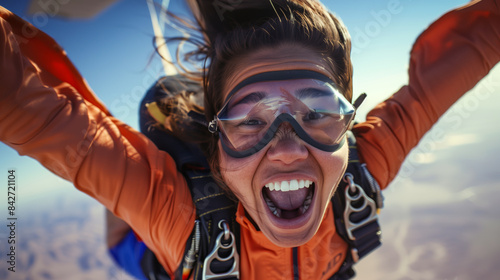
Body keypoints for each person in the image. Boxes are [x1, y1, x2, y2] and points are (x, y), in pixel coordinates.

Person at [1, 0, 499, 279]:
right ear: (217, 139)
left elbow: (475, 46)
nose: (287, 148)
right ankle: (139, 162)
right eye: (248, 120)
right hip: (154, 249)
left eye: (319, 112)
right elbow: (32, 112)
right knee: (121, 207)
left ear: (348, 122)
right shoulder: (174, 219)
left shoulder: (359, 170)